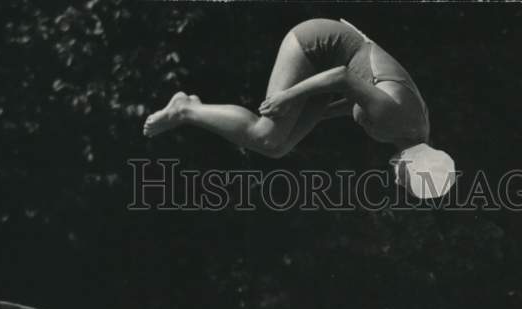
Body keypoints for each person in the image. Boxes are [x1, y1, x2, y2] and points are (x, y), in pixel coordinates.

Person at [144, 19, 454, 200]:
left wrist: (310, 115)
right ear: (412, 164)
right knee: (266, 134)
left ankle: (189, 110)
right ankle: (185, 108)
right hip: (320, 45)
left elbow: (357, 97)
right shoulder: (396, 122)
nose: (397, 181)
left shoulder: (410, 133)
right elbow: (344, 78)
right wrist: (290, 98)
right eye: (406, 181)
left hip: (333, 71)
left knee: (278, 147)